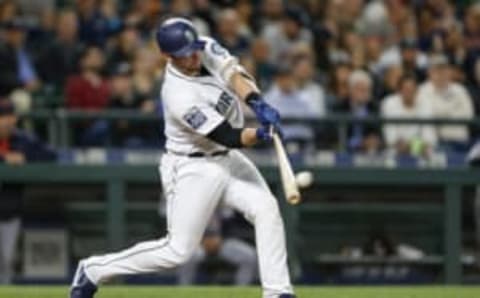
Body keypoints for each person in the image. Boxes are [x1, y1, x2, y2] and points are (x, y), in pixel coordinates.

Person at [70, 18, 295, 298]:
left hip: (227, 158)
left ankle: (277, 292)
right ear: (167, 56)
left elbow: (234, 73)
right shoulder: (178, 95)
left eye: (194, 48)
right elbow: (227, 135)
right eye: (184, 53)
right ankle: (93, 270)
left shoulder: (205, 47)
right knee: (177, 251)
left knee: (266, 209)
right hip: (193, 166)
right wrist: (261, 134)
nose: (192, 56)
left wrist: (256, 102)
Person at [0, 100, 56, 284]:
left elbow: (50, 155)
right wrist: (4, 158)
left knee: (6, 262)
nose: (6, 121)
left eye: (9, 116)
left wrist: (25, 157)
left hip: (9, 212)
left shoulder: (22, 139)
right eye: (2, 117)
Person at [177, 208, 257, 285]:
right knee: (188, 256)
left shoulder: (224, 204)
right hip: (197, 243)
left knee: (249, 256)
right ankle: (184, 290)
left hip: (222, 243)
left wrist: (221, 239)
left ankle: (241, 292)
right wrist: (200, 240)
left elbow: (231, 226)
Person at [416, 55, 474, 151]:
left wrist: (441, 115)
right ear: (430, 72)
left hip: (461, 142)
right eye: (437, 70)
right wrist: (452, 113)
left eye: (444, 70)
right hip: (436, 143)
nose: (441, 74)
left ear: (449, 72)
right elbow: (427, 116)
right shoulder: (422, 91)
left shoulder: (460, 90)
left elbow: (468, 115)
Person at [381, 75, 437, 156]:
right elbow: (391, 138)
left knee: (431, 153)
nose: (409, 93)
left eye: (412, 89)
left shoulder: (426, 103)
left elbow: (429, 138)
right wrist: (413, 146)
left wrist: (412, 146)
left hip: (421, 152)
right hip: (396, 152)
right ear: (399, 91)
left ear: (417, 91)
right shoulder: (389, 103)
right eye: (406, 89)